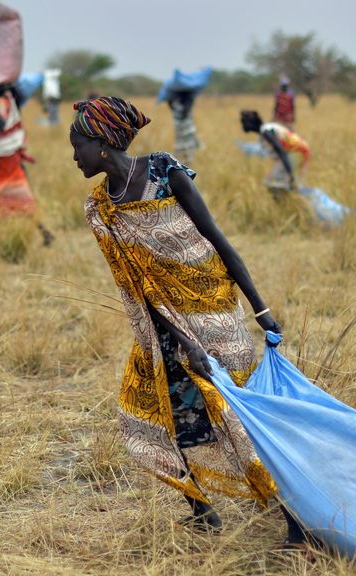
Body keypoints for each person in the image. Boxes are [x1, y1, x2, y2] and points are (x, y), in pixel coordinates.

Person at [69, 95, 305, 547]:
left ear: (101, 144)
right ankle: (201, 510)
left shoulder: (165, 172)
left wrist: (260, 309)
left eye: (77, 145)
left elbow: (218, 240)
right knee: (150, 411)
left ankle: (296, 522)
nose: (73, 156)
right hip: (162, 326)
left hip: (214, 310)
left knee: (236, 416)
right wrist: (182, 340)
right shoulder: (100, 209)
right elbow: (138, 284)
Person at [0, 82, 53, 244]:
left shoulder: (1, 103)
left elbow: (2, 126)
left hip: (3, 159)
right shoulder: (10, 103)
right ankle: (44, 233)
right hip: (2, 158)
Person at [240, 110, 310, 192]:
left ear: (250, 124)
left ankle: (289, 200)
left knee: (274, 184)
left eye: (243, 122)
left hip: (297, 152)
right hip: (296, 152)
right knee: (271, 182)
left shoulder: (266, 132)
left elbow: (281, 151)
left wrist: (290, 173)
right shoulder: (266, 129)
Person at [167, 89, 201, 165]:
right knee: (187, 146)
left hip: (182, 128)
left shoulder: (174, 100)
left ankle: (182, 162)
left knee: (182, 146)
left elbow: (171, 105)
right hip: (186, 128)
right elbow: (185, 111)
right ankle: (186, 162)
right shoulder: (187, 100)